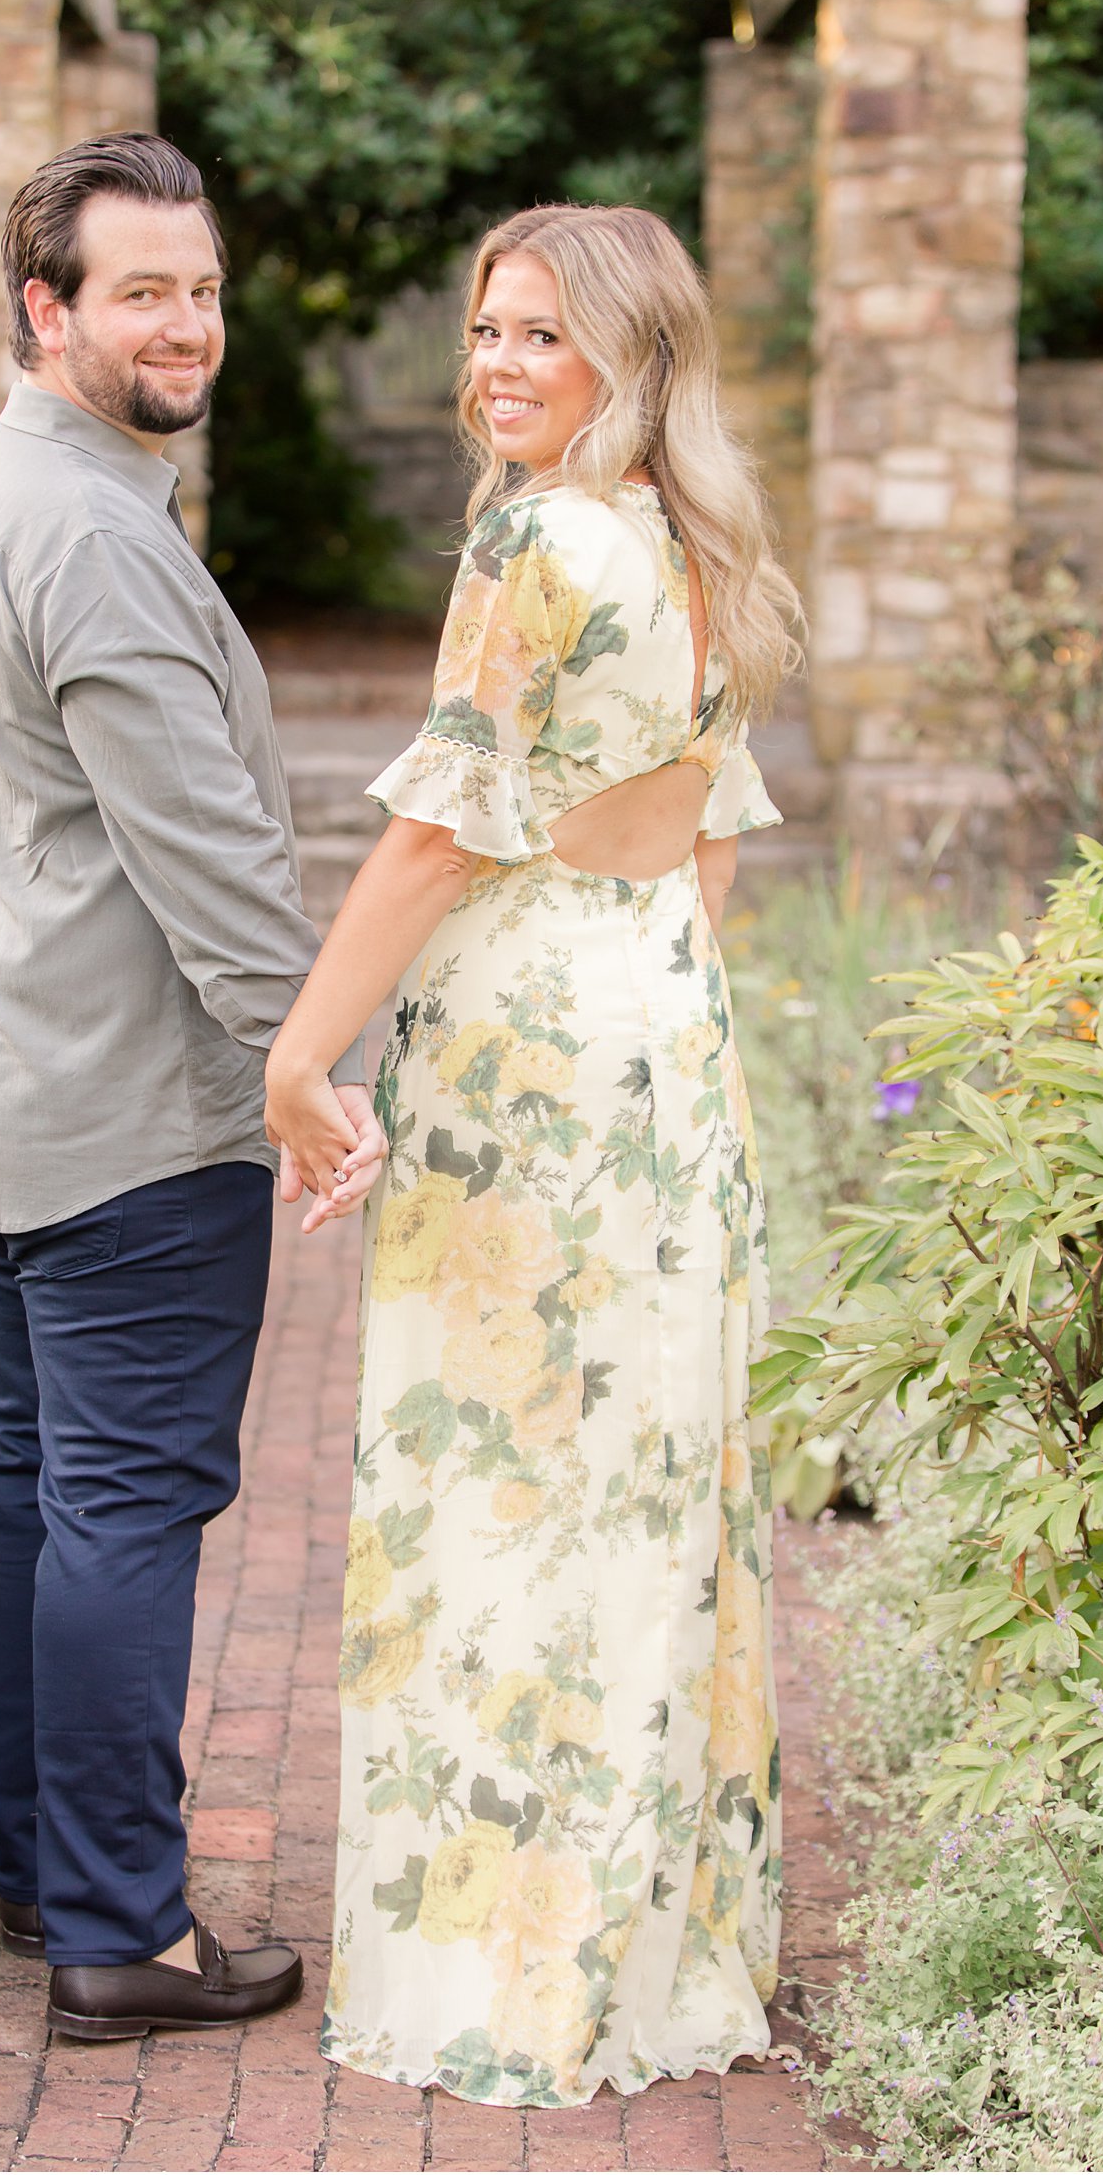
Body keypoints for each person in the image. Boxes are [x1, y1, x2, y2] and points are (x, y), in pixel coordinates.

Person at [265, 203, 803, 2107]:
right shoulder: (692, 545)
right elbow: (711, 851)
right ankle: (650, 1933)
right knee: (640, 1478)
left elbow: (437, 839)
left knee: (497, 1488)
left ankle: (509, 1949)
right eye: (486, 332)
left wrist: (303, 1051)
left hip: (533, 1059)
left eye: (542, 342)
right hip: (661, 1040)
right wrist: (635, 1001)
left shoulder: (535, 538)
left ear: (629, 362)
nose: (498, 367)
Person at [0, 132, 385, 2043]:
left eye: (203, 287)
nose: (188, 321)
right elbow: (220, 875)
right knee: (120, 1505)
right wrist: (320, 1075)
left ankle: (42, 1872)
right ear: (47, 308)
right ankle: (116, 1926)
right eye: (142, 290)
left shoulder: (20, 483)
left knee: (40, 1486)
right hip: (112, 1128)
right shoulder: (92, 524)